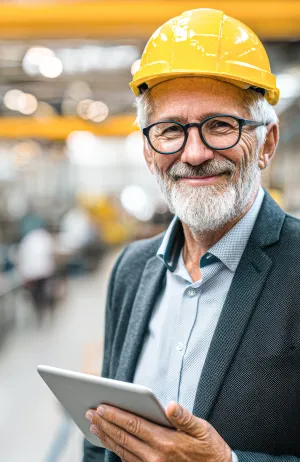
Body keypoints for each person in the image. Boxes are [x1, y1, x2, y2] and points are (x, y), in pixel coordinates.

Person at [83, 8, 300, 462]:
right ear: (148, 149)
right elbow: (103, 438)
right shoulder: (131, 270)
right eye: (171, 130)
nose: (195, 153)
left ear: (266, 143)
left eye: (220, 125)